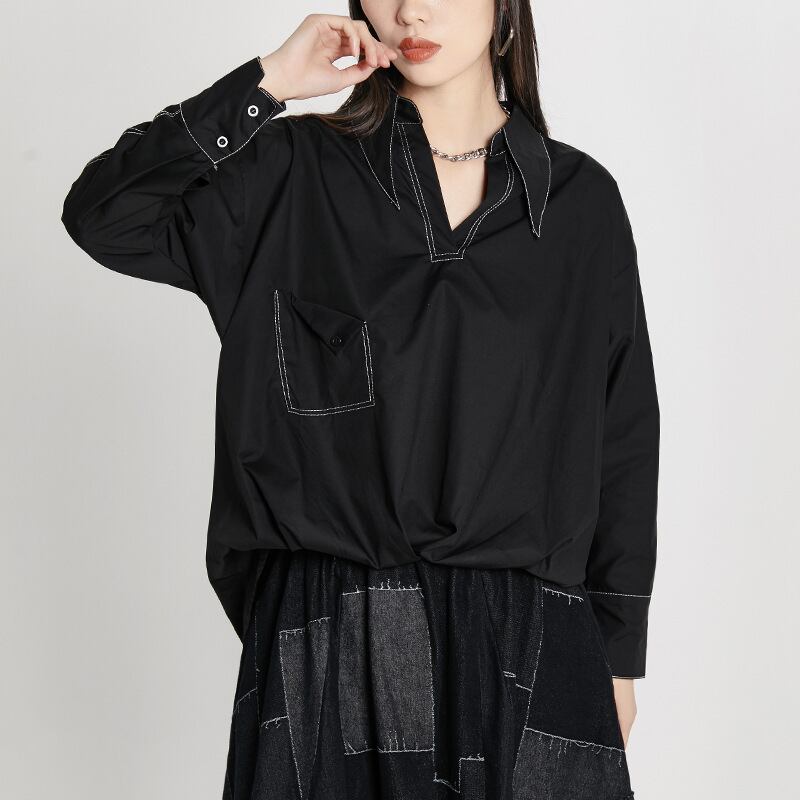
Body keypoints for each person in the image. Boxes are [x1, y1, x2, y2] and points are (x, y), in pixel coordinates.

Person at [61, 3, 659, 798]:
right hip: (330, 636)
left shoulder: (581, 205)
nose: (412, 10)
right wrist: (269, 83)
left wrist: (618, 657)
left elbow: (623, 435)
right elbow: (105, 215)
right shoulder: (289, 173)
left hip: (533, 642)